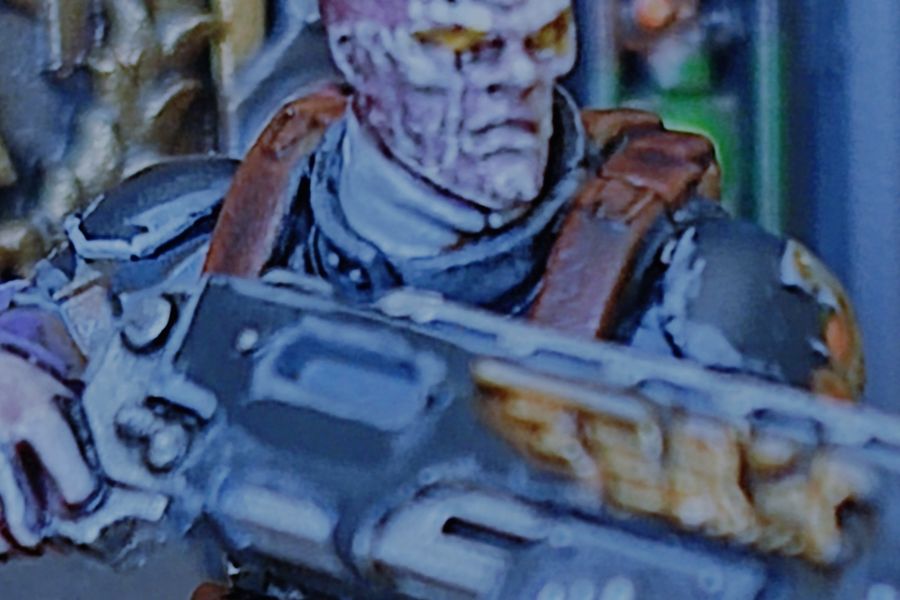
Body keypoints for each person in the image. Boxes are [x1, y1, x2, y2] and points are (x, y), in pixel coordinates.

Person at [0, 0, 863, 568]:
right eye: (457, 46)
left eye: (543, 36)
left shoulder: (711, 303)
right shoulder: (183, 236)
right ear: (355, 49)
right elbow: (37, 344)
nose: (515, 82)